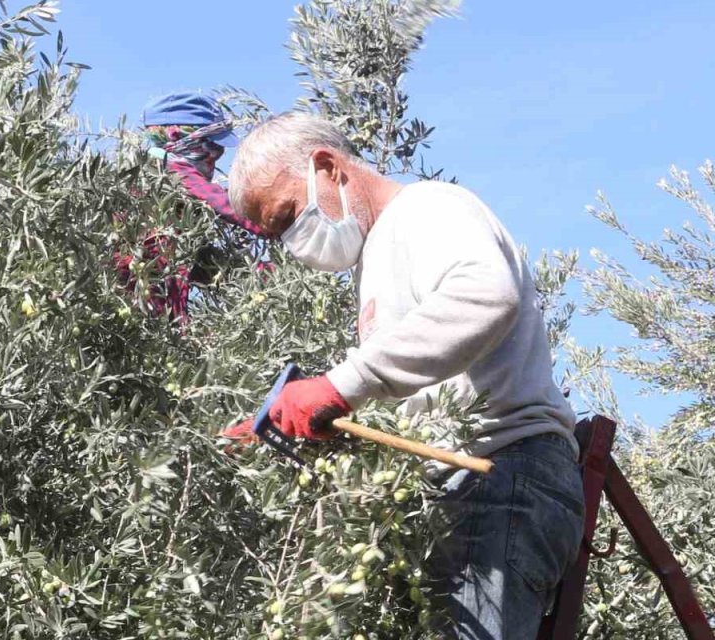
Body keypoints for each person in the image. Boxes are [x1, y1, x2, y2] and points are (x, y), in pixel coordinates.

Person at [221, 112, 584, 639]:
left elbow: (485, 294)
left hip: (498, 474)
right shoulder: (378, 258)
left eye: (286, 216)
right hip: (466, 487)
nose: (290, 240)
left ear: (326, 167)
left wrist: (339, 386)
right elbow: (418, 387)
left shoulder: (427, 207)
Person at [113, 91, 276, 322]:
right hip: (134, 309)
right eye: (211, 144)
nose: (217, 154)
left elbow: (201, 262)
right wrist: (282, 223)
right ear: (178, 136)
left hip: (159, 314)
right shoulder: (167, 171)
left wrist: (266, 275)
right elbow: (228, 206)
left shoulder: (171, 197)